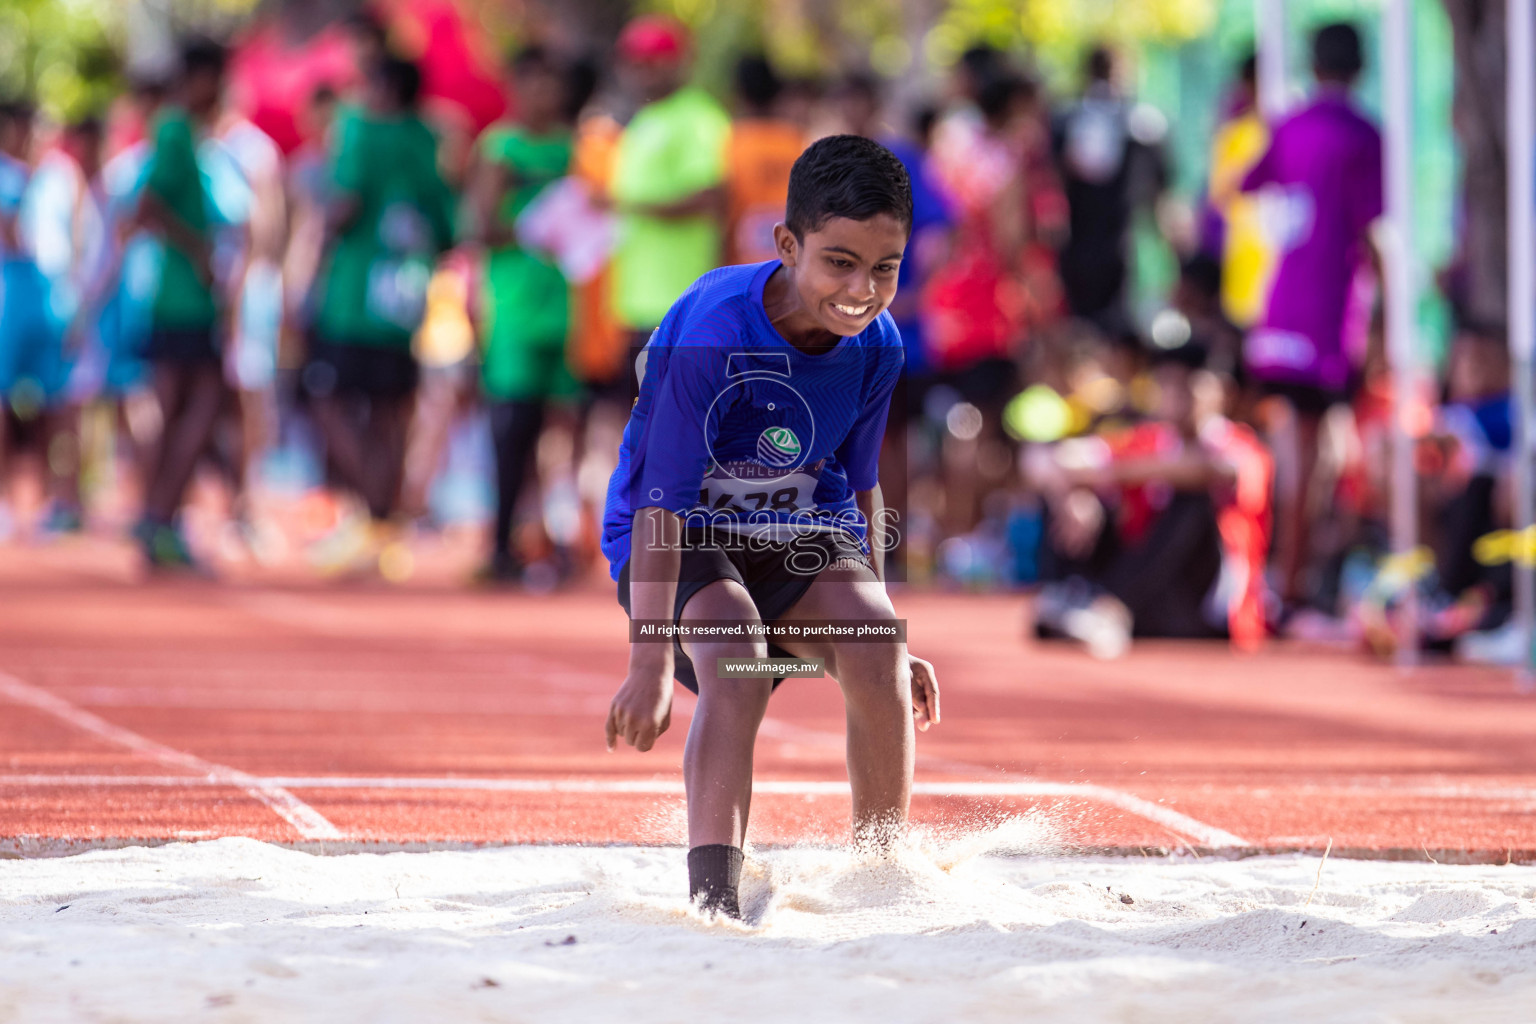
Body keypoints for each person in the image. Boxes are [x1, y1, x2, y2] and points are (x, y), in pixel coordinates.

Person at [601, 135, 940, 919]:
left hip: (789, 530)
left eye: (884, 268)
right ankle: (715, 903)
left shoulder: (876, 346)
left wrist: (884, 627)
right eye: (839, 262)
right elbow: (663, 506)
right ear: (787, 245)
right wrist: (649, 661)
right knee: (737, 657)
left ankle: (882, 877)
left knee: (876, 648)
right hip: (674, 531)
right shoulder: (713, 329)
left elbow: (860, 491)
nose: (861, 289)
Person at [1239, 23, 1383, 610]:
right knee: (1317, 449)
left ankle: (1279, 574)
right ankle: (1292, 579)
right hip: (1329, 311)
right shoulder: (1364, 136)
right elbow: (1373, 228)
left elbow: (1244, 184)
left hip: (1281, 305)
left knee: (1293, 444)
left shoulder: (1289, 126)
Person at [304, 54, 454, 574]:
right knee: (392, 413)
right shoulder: (428, 138)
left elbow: (343, 204)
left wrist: (317, 251)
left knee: (328, 400)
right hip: (404, 297)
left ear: (385, 87)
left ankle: (372, 515)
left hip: (352, 297)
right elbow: (448, 223)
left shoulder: (359, 131)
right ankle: (387, 525)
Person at [465, 47, 591, 583]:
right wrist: (531, 228)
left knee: (565, 427)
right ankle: (500, 544)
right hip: (515, 310)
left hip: (568, 305)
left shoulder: (576, 147)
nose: (546, 94)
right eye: (536, 83)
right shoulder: (500, 147)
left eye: (553, 83)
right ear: (518, 86)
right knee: (513, 428)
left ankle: (556, 539)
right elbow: (479, 226)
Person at [134, 40, 230, 570]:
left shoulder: (185, 133)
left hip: (187, 296)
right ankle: (158, 517)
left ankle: (160, 518)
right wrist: (197, 250)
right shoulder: (175, 130)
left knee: (185, 409)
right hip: (181, 298)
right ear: (199, 78)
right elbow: (148, 205)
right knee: (187, 407)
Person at [608, 15, 730, 363]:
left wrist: (625, 206)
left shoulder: (698, 118)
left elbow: (710, 198)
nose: (642, 73)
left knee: (676, 411)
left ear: (679, 63)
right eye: (634, 64)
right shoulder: (645, 118)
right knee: (643, 409)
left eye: (652, 64)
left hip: (680, 299)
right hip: (638, 298)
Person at [1052, 45, 1167, 333]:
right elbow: (1158, 185)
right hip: (1111, 239)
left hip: (1084, 242)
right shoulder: (1137, 124)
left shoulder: (1065, 120)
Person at [724, 55, 805, 266]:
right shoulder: (799, 143)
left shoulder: (730, 144)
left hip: (743, 273)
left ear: (739, 95)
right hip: (791, 271)